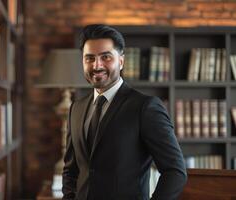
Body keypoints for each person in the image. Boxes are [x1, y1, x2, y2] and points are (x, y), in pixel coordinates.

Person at [62, 24, 187, 200]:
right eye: (89, 58)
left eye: (105, 57)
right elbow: (71, 170)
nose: (97, 65)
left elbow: (175, 171)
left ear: (121, 61)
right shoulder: (76, 108)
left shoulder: (146, 107)